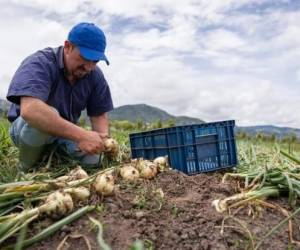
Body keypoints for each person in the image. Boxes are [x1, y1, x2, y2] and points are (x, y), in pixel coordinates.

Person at [6, 22, 113, 171]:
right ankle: (25, 169)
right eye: (84, 58)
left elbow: (99, 115)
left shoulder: (95, 75)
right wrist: (82, 135)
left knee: (93, 160)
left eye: (95, 61)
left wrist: (103, 145)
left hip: (66, 135)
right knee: (47, 114)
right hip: (27, 130)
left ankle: (52, 158)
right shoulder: (40, 62)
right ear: (68, 46)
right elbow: (31, 111)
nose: (89, 67)